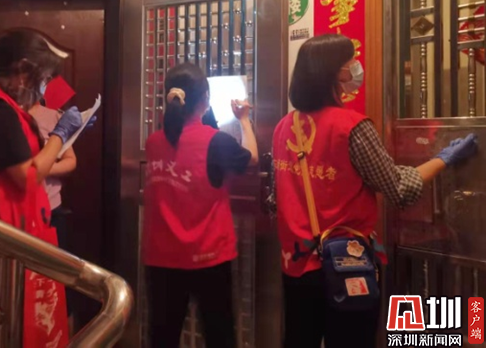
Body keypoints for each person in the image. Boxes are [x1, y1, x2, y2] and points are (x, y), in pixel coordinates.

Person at [273, 34, 478, 348]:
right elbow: (398, 188)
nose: (356, 68)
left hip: (296, 265)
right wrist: (443, 159)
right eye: (350, 63)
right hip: (344, 266)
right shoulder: (352, 126)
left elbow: (277, 197)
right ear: (336, 73)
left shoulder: (283, 126)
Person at [0, 30, 85, 348]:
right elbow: (28, 175)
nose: (44, 88)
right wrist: (60, 135)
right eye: (44, 78)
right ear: (23, 69)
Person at [143, 62, 259, 348]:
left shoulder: (154, 142)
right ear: (205, 98)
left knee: (162, 337)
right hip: (209, 256)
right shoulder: (216, 142)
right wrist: (244, 119)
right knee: (219, 336)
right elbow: (252, 158)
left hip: (161, 259)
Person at [29, 97, 92, 334]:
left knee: (60, 286)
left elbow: (71, 160)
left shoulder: (53, 115)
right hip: (21, 214)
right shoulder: (7, 114)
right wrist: (35, 170)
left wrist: (41, 169)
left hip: (52, 211)